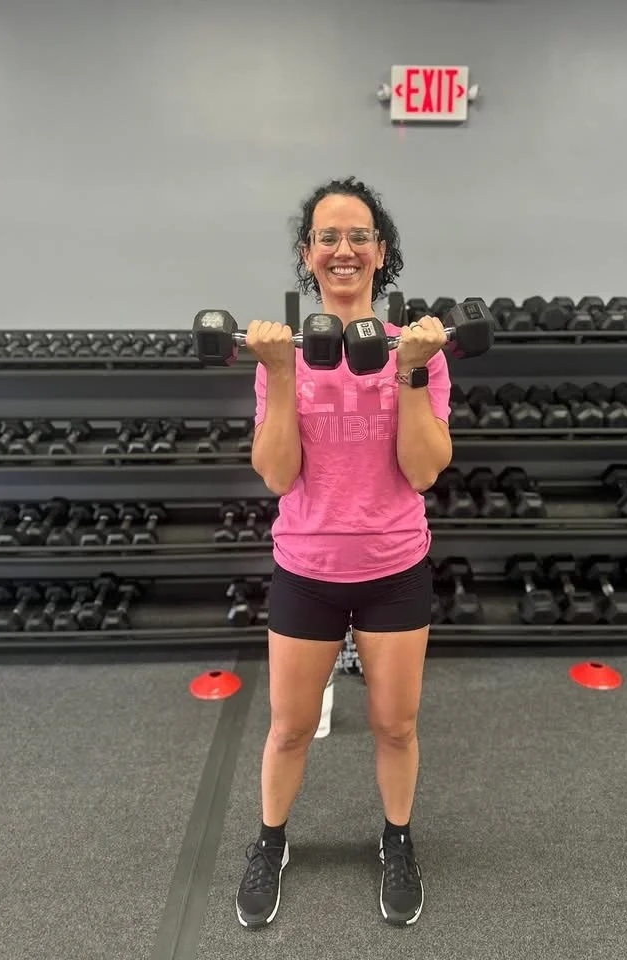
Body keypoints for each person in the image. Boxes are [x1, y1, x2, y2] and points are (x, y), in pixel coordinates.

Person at [235, 176, 452, 930]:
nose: (344, 249)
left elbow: (423, 471)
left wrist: (414, 371)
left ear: (381, 251)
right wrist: (282, 374)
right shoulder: (283, 355)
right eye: (327, 237)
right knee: (290, 727)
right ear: (308, 254)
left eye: (358, 235)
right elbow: (277, 474)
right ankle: (271, 842)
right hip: (307, 567)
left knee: (396, 725)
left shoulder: (414, 349)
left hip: (394, 566)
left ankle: (397, 839)